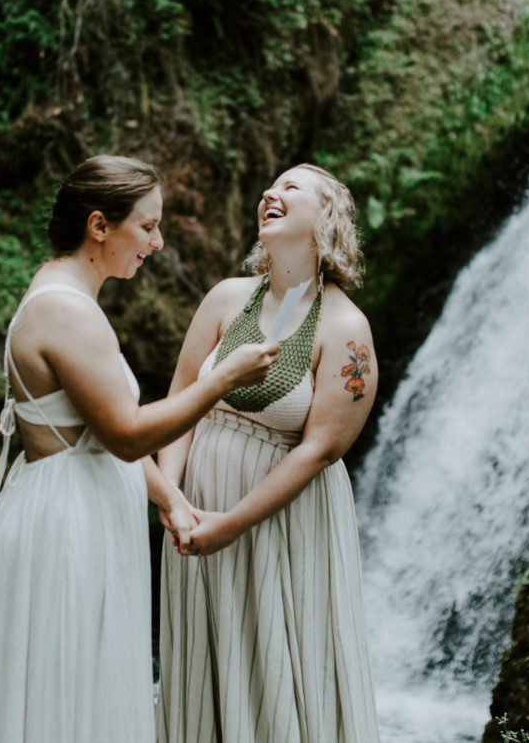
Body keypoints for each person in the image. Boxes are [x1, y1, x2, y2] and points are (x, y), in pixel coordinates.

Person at [0, 155, 279, 743]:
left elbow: (94, 433)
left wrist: (168, 499)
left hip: (70, 507)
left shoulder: (64, 294)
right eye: (148, 226)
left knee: (77, 694)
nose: (157, 243)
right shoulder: (63, 309)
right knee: (69, 697)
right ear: (99, 225)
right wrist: (221, 379)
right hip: (65, 529)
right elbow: (125, 433)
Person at [155, 163, 381, 743]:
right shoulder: (227, 298)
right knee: (205, 653)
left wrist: (232, 524)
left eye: (290, 187)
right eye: (269, 187)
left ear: (325, 219)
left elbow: (319, 452)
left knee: (278, 654)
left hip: (276, 522)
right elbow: (182, 398)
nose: (270, 194)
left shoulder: (345, 328)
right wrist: (171, 496)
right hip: (194, 509)